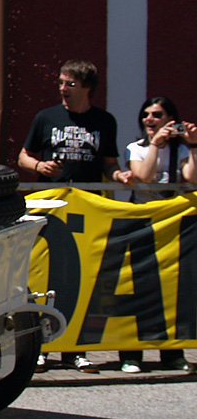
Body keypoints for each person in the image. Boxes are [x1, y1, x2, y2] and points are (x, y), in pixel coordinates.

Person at [19, 59, 133, 372]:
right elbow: (24, 157)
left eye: (69, 84)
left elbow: (109, 161)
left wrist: (119, 175)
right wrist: (40, 167)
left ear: (87, 87)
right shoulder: (47, 117)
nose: (62, 89)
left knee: (81, 278)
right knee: (44, 276)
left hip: (87, 211)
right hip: (51, 209)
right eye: (60, 83)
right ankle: (41, 346)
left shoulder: (104, 121)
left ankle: (74, 350)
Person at [118, 96, 197, 374]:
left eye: (157, 115)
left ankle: (172, 353)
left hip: (174, 228)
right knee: (139, 287)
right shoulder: (135, 148)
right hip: (141, 226)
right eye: (146, 115)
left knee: (173, 291)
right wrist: (155, 145)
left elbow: (193, 178)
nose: (149, 120)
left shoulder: (182, 150)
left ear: (170, 120)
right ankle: (131, 354)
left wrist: (194, 145)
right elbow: (145, 176)